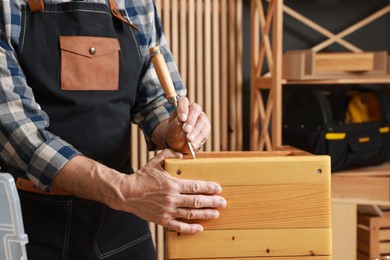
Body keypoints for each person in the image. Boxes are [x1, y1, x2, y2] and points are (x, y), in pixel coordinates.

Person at [0, 0, 227, 259]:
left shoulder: (137, 4)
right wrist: (123, 190)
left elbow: (155, 101)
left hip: (122, 221)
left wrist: (173, 129)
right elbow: (19, 134)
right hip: (32, 223)